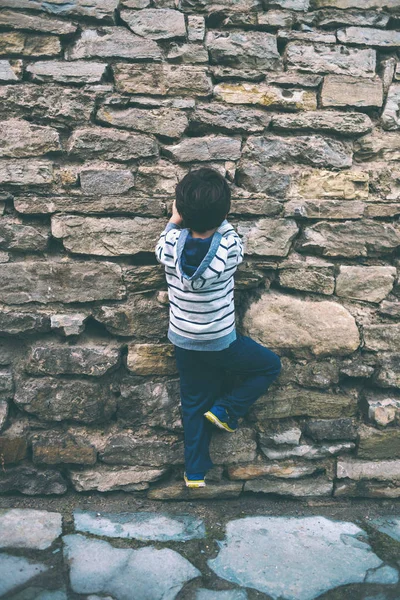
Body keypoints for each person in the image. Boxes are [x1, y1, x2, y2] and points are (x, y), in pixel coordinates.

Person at [155, 167, 282, 488]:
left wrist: (175, 218)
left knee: (193, 404)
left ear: (182, 210)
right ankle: (226, 409)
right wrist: (219, 215)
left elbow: (163, 240)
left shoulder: (170, 245)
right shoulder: (230, 247)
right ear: (224, 212)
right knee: (269, 366)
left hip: (184, 342)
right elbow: (231, 234)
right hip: (221, 343)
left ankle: (194, 472)